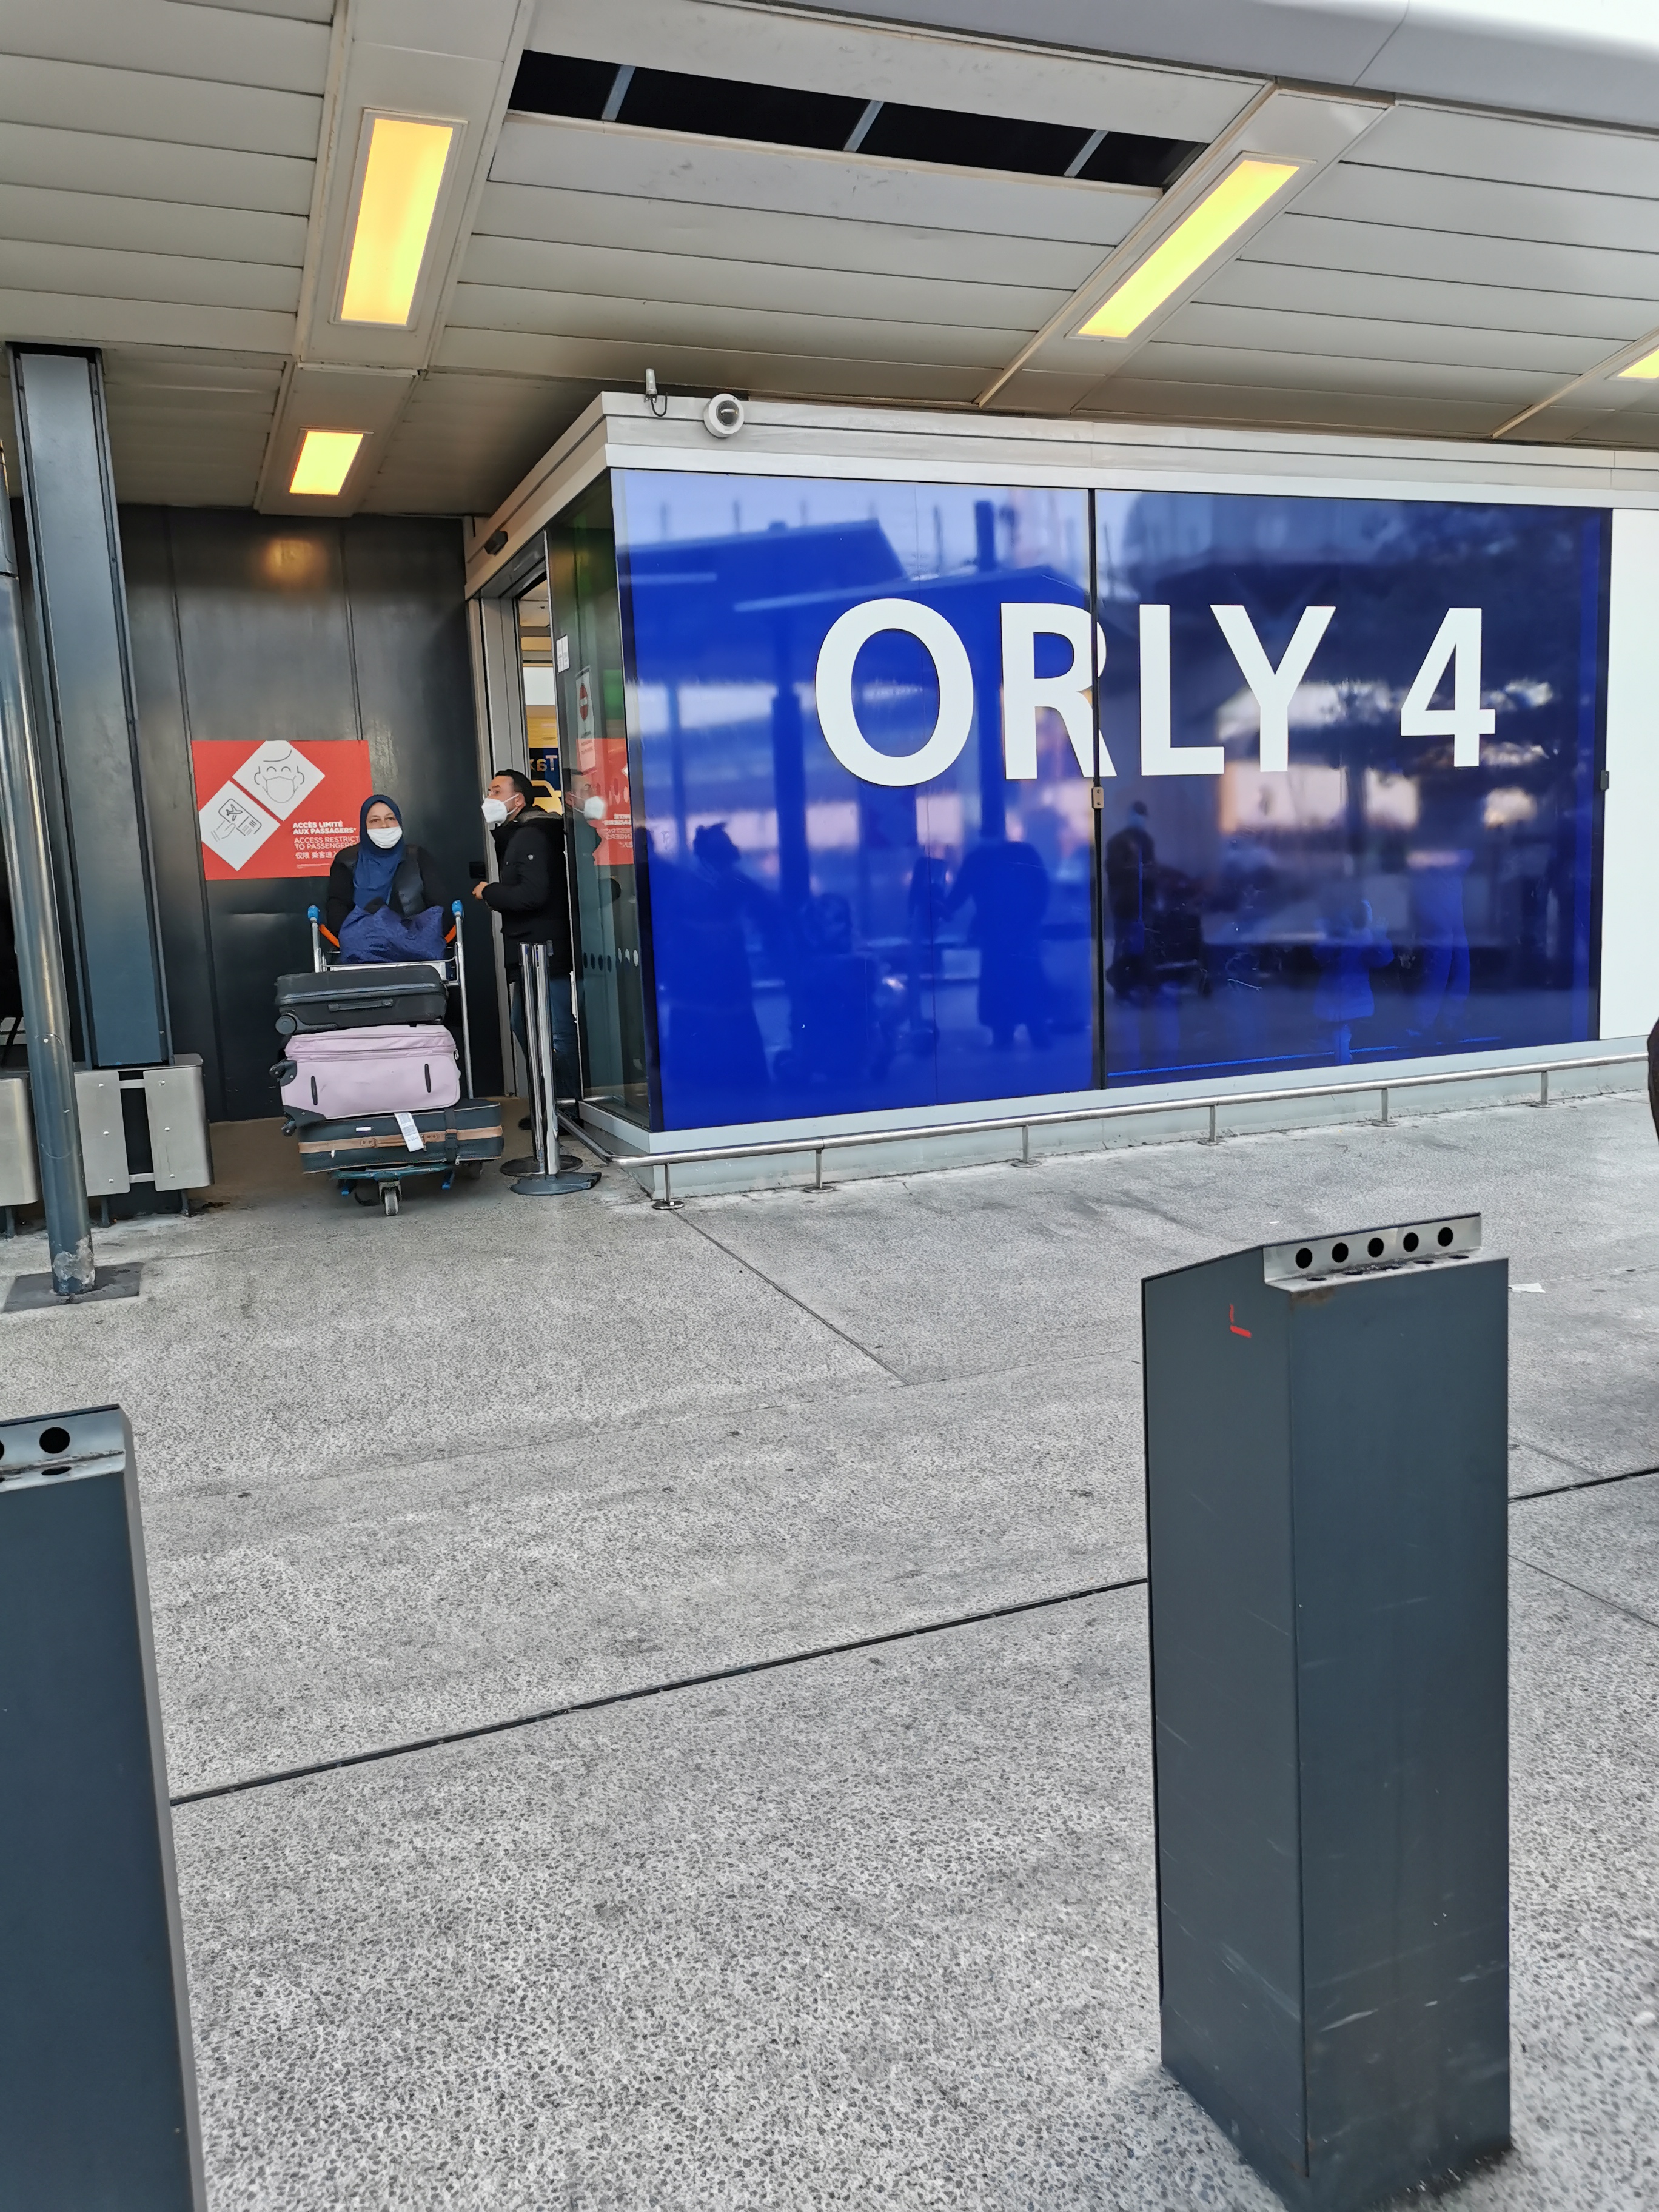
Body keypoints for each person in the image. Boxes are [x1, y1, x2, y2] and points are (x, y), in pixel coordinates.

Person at [473, 768, 578, 1113]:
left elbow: (533, 895)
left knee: (557, 1030)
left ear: (518, 800)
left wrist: (489, 892)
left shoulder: (531, 835)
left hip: (544, 949)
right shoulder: (518, 834)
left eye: (496, 791)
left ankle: (569, 1106)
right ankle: (550, 1107)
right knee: (524, 1025)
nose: (489, 798)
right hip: (528, 949)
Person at [324, 795, 447, 964]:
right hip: (363, 954)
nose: (384, 825)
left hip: (415, 951)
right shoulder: (346, 861)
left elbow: (440, 909)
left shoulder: (418, 857)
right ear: (364, 826)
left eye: (390, 819)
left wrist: (407, 934)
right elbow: (337, 913)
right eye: (375, 821)